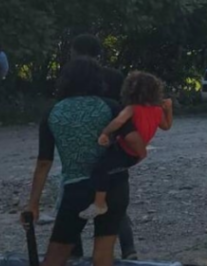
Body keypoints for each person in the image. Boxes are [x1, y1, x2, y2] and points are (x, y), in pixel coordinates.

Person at [23, 58, 143, 266]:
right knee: (103, 256)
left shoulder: (53, 113)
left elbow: (44, 163)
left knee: (55, 257)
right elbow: (136, 144)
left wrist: (33, 203)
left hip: (76, 187)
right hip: (114, 186)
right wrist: (129, 159)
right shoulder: (110, 107)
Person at [67, 33, 137, 260]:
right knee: (114, 200)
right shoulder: (115, 76)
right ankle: (129, 249)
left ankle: (74, 253)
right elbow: (125, 107)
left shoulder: (73, 75)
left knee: (74, 200)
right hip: (113, 144)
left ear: (76, 52)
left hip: (81, 144)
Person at [79, 72, 173, 220]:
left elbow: (118, 122)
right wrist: (169, 110)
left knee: (100, 169)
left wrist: (104, 132)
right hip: (134, 154)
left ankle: (99, 204)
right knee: (112, 171)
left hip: (126, 151)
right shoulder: (157, 110)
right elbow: (167, 126)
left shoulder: (132, 108)